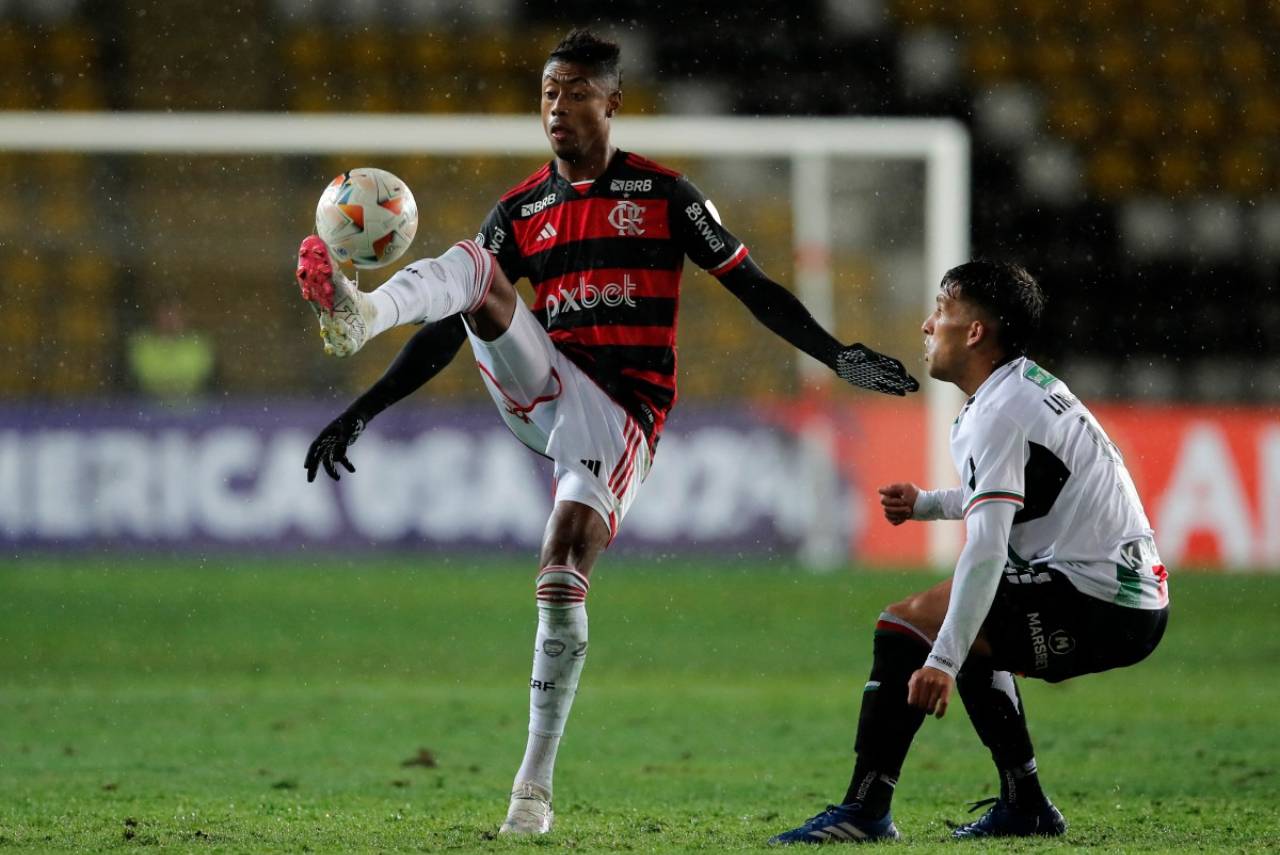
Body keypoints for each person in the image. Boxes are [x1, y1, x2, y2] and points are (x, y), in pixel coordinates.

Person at [294, 29, 919, 836]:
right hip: (539, 379)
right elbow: (455, 326)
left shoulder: (667, 197)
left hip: (619, 411)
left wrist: (837, 355)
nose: (559, 107)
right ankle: (361, 312)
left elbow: (753, 289)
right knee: (476, 270)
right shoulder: (522, 209)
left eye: (577, 91)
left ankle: (531, 790)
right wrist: (365, 407)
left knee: (560, 570)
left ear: (613, 101)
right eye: (549, 92)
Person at [769, 261, 1170, 845]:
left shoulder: (1000, 413)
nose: (927, 325)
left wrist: (942, 661)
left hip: (1100, 601)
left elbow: (986, 548)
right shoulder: (1021, 389)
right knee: (969, 622)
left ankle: (866, 808)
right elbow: (1019, 495)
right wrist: (929, 504)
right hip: (1122, 598)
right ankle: (1024, 805)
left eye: (942, 311)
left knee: (909, 624)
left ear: (975, 332)